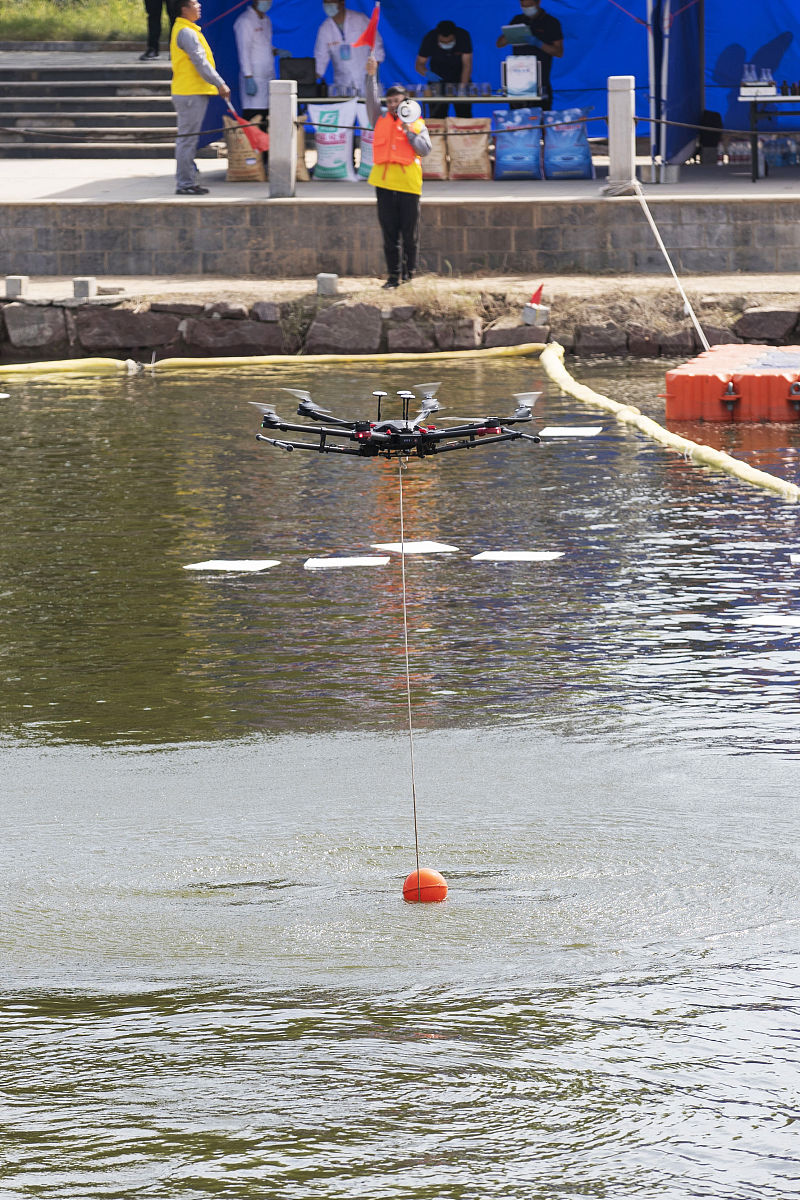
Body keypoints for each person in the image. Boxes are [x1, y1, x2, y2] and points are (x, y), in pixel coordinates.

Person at [365, 55, 432, 289]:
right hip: (384, 183)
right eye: (391, 101)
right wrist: (371, 75)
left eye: (398, 102)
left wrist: (409, 131)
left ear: (406, 103)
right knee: (389, 234)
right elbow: (371, 100)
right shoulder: (380, 119)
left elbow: (425, 150)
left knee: (409, 234)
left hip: (408, 184)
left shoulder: (417, 124)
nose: (394, 105)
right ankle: (393, 277)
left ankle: (409, 275)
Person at [170, 0, 230, 195]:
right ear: (183, 9)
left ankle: (187, 180)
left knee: (188, 139)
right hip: (189, 92)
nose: (199, 6)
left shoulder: (188, 29)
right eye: (194, 3)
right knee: (187, 140)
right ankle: (184, 184)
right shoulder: (186, 32)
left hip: (191, 91)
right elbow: (200, 62)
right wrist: (219, 83)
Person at [233, 0, 285, 147]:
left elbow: (264, 45)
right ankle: (252, 156)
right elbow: (244, 51)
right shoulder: (245, 21)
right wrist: (248, 76)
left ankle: (265, 156)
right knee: (254, 117)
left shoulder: (266, 20)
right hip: (254, 77)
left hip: (268, 75)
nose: (267, 3)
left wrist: (276, 51)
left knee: (266, 118)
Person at [496, 0, 563, 111]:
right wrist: (511, 35)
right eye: (523, 6)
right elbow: (499, 44)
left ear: (538, 3)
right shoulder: (517, 20)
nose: (526, 8)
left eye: (529, 5)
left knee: (541, 116)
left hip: (540, 79)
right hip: (517, 78)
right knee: (517, 116)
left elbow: (559, 52)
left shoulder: (551, 22)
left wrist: (539, 43)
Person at [315, 0, 385, 95]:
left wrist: (374, 65)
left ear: (342, 3)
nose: (328, 6)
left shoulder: (360, 20)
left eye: (331, 2)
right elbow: (320, 63)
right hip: (343, 87)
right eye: (326, 3)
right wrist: (303, 79)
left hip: (367, 83)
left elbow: (377, 45)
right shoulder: (325, 29)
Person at [415, 19, 473, 118]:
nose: (446, 44)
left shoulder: (463, 36)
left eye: (449, 41)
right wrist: (431, 76)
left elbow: (467, 65)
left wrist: (463, 87)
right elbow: (419, 65)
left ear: (454, 36)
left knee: (464, 115)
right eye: (442, 42)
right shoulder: (430, 38)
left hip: (460, 79)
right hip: (437, 81)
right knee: (437, 116)